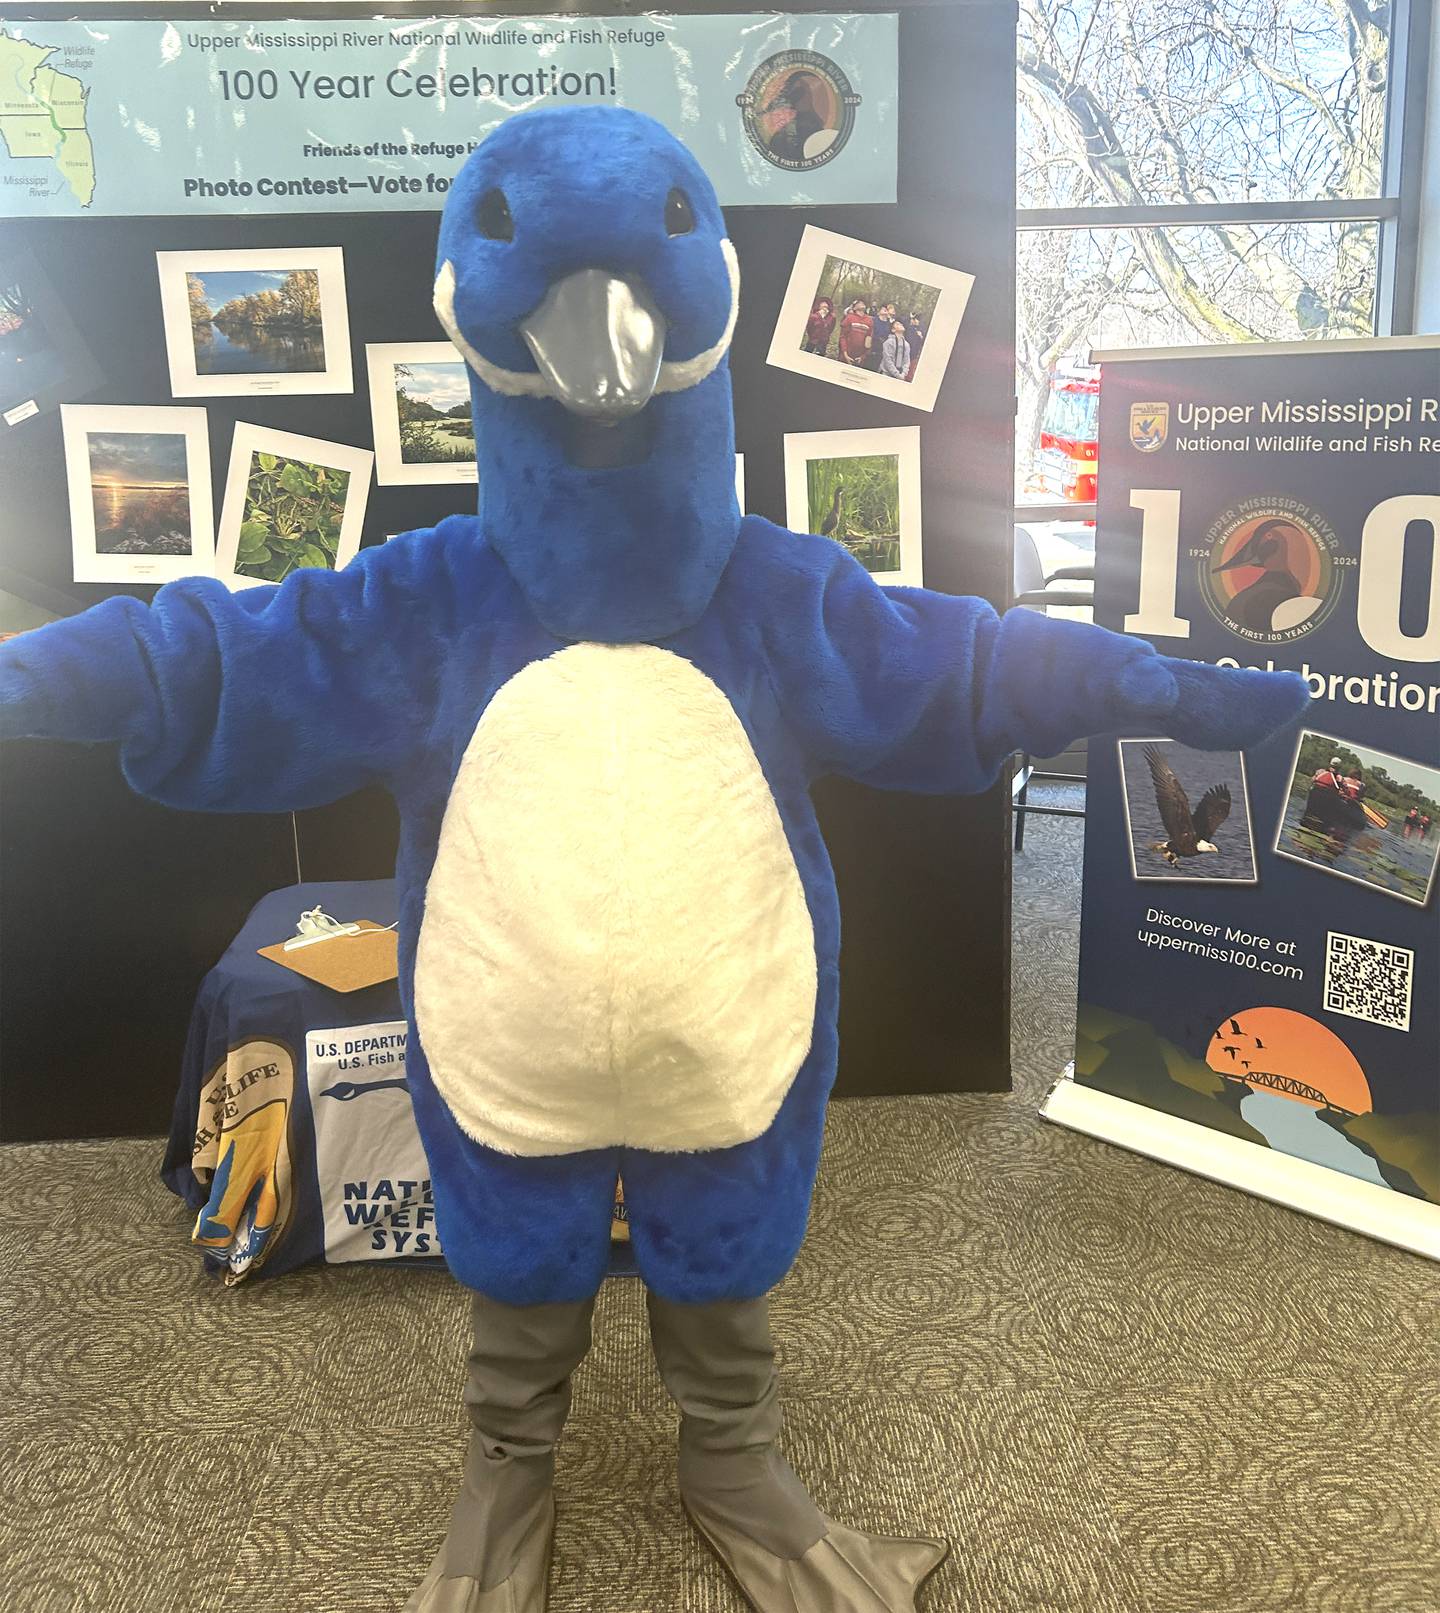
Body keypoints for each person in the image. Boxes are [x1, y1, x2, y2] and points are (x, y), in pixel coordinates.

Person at [837, 298, 872, 365]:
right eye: (858, 303)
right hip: (846, 355)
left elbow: (869, 340)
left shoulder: (869, 320)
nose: (861, 303)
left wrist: (862, 357)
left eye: (863, 303)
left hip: (859, 358)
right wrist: (845, 354)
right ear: (854, 308)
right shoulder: (849, 318)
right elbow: (843, 337)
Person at [905, 312, 925, 381]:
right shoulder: (908, 327)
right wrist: (910, 317)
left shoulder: (921, 329)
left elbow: (923, 342)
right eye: (915, 319)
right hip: (906, 352)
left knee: (911, 371)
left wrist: (921, 336)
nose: (917, 321)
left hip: (914, 354)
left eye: (918, 320)